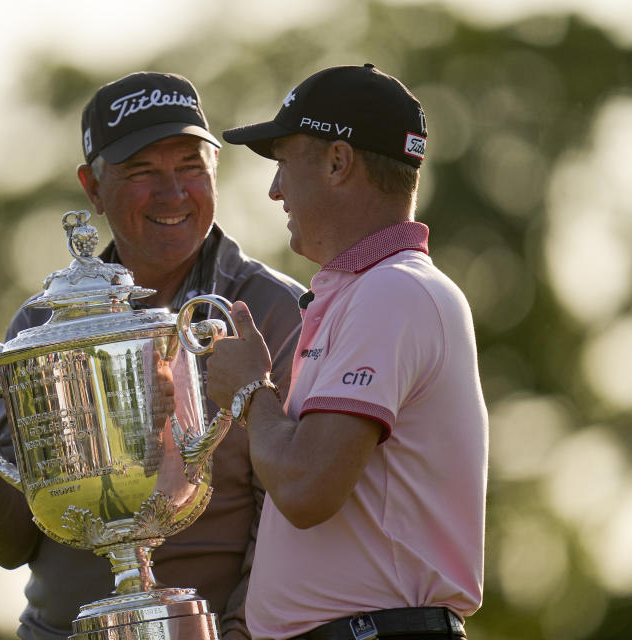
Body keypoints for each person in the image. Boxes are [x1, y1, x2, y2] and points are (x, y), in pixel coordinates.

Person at [0, 71, 306, 640]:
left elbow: (290, 515)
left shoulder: (271, 311)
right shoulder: (40, 325)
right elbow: (8, 547)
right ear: (93, 189)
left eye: (189, 167)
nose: (173, 192)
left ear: (215, 174)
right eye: (141, 171)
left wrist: (238, 632)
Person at [203, 64, 488, 640]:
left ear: (338, 162)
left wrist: (250, 391)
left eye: (283, 161)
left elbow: (307, 489)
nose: (274, 189)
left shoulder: (393, 291)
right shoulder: (377, 290)